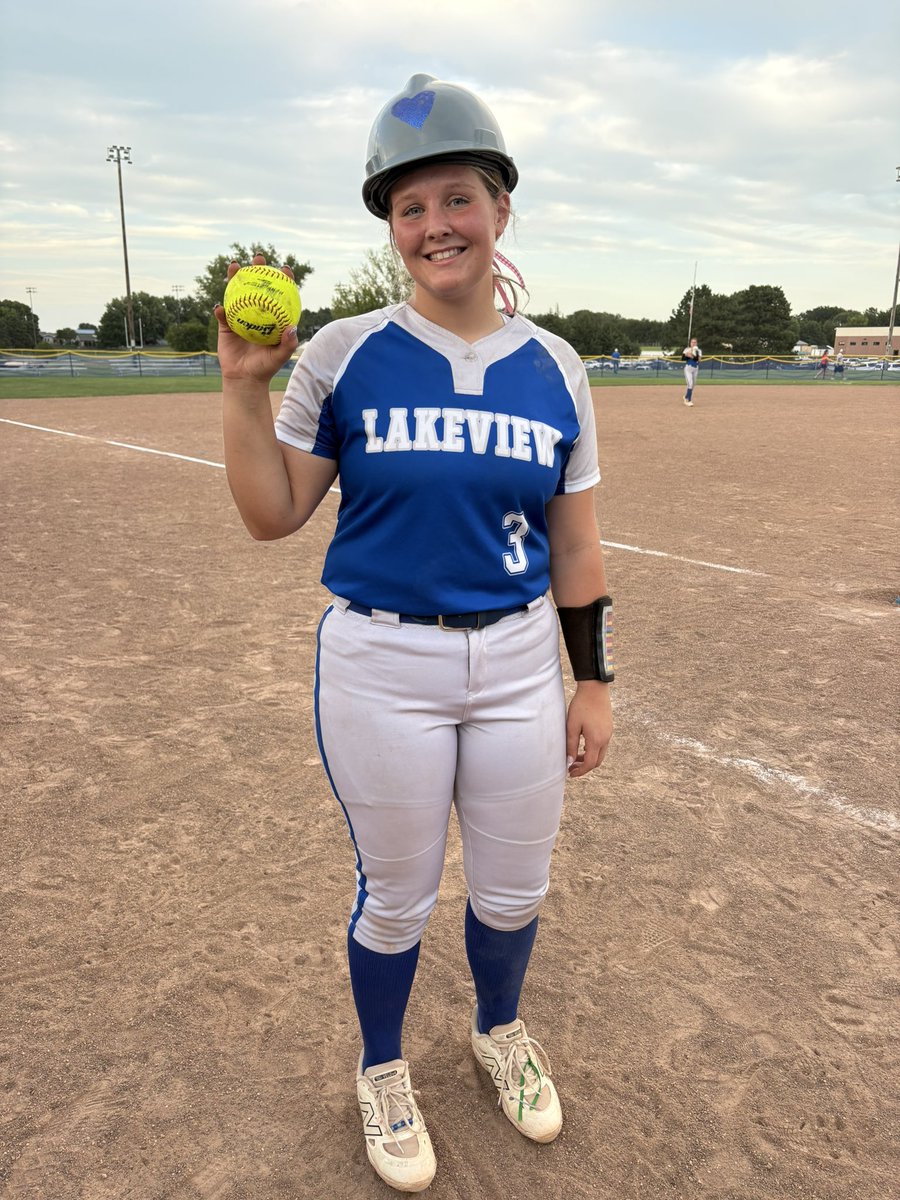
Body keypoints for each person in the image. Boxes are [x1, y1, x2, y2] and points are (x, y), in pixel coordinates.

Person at [215, 73, 613, 1194]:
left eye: (457, 198)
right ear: (391, 229)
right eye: (410, 208)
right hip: (382, 662)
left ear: (498, 210)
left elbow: (576, 552)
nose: (435, 224)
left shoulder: (558, 369)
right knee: (397, 892)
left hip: (521, 662)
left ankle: (498, 1031)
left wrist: (595, 683)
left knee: (513, 887)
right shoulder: (344, 353)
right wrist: (247, 394)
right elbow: (272, 515)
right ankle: (384, 1067)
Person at [682, 336, 701, 405]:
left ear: (697, 343)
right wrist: (688, 354)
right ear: (690, 343)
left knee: (693, 385)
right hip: (688, 369)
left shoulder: (698, 350)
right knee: (690, 384)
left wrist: (691, 355)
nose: (693, 343)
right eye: (692, 342)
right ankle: (688, 400)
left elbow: (698, 359)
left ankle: (686, 396)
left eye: (695, 342)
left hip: (695, 369)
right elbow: (683, 358)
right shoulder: (687, 349)